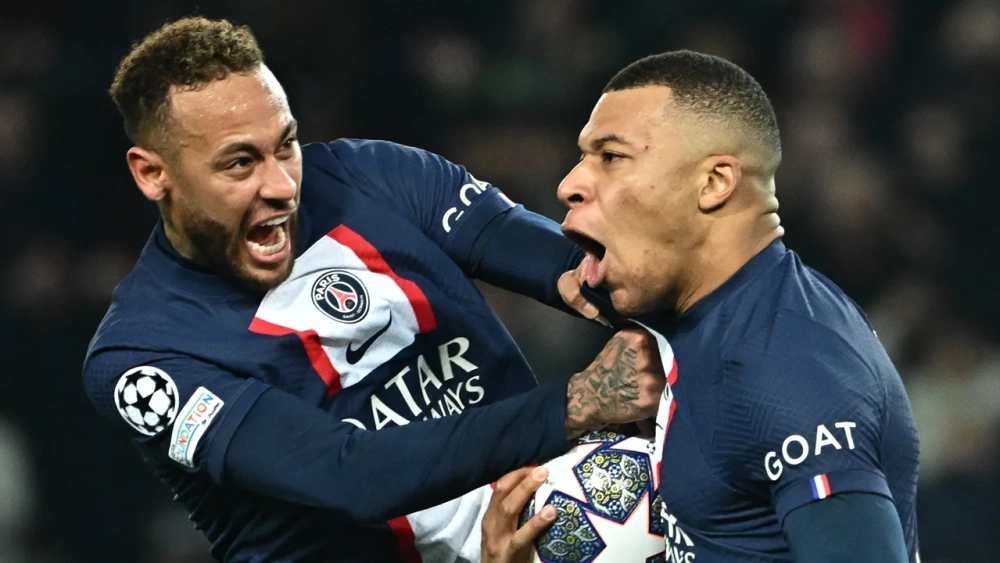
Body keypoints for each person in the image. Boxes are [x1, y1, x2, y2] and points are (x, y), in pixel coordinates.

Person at [81, 17, 665, 563]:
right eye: (239, 164)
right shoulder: (143, 356)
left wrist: (647, 317)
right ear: (152, 173)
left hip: (540, 517)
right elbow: (350, 474)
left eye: (285, 144)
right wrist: (576, 403)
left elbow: (577, 269)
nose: (283, 184)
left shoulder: (376, 177)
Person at [546, 51, 920, 562]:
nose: (570, 184)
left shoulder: (789, 371)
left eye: (611, 157)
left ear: (715, 183)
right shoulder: (709, 308)